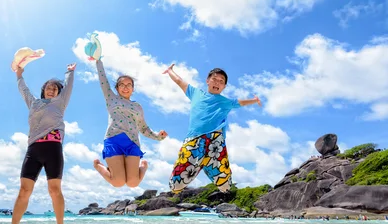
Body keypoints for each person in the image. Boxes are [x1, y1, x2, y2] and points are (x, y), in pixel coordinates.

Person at [0, 62, 76, 224]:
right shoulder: (34, 103)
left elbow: (69, 87)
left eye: (55, 88)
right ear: (43, 91)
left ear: (59, 93)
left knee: (54, 190)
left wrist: (69, 71)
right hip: (33, 149)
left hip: (53, 149)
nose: (52, 90)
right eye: (48, 88)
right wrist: (19, 75)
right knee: (24, 191)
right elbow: (23, 90)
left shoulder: (61, 103)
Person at [163, 64, 261, 194]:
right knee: (175, 186)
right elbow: (179, 81)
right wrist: (170, 71)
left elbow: (241, 102)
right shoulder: (195, 93)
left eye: (221, 81)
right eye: (214, 79)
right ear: (207, 80)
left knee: (225, 186)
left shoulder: (226, 102)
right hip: (194, 139)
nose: (217, 83)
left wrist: (254, 100)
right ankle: (201, 164)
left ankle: (208, 164)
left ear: (224, 86)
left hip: (215, 141)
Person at [92, 58, 168, 188]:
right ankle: (99, 167)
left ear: (133, 89)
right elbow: (103, 80)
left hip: (132, 143)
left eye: (129, 85)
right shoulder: (111, 98)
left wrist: (158, 136)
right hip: (113, 140)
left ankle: (143, 167)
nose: (125, 87)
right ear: (116, 88)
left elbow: (144, 128)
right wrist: (98, 61)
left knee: (133, 183)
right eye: (122, 85)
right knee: (118, 182)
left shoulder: (137, 107)